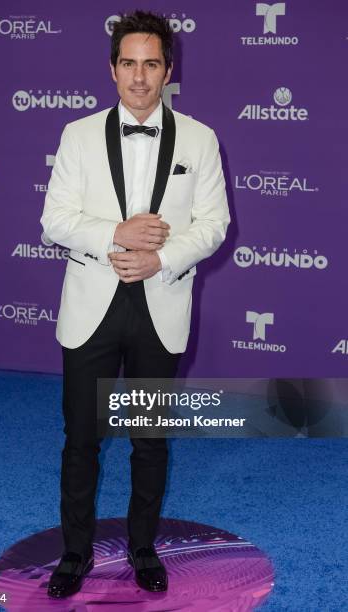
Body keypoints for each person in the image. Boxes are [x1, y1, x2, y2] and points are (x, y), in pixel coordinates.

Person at [41, 9, 230, 599]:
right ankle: (74, 554)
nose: (140, 77)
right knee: (81, 439)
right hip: (92, 303)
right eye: (129, 64)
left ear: (168, 70)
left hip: (161, 303)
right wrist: (116, 235)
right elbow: (54, 221)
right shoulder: (77, 134)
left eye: (152, 64)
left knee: (149, 439)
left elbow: (215, 225)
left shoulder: (200, 138)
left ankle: (143, 546)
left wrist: (162, 258)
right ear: (112, 70)